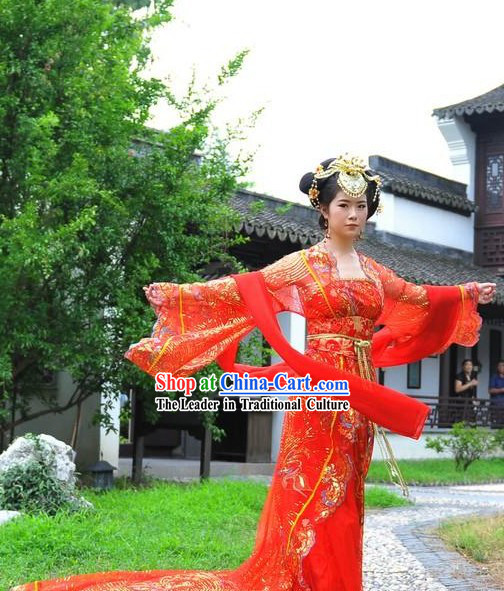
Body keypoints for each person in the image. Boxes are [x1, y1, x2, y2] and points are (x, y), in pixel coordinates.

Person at [12, 154, 496, 591]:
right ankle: (297, 577)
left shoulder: (374, 271)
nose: (354, 213)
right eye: (344, 204)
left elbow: (416, 297)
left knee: (347, 489)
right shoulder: (303, 266)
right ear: (323, 211)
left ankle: (335, 579)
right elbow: (244, 290)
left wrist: (466, 292)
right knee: (311, 485)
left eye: (361, 205)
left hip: (361, 394)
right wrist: (182, 298)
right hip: (321, 391)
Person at [453, 359, 479, 425]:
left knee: (472, 422)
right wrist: (470, 383)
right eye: (467, 364)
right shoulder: (460, 376)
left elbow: (471, 391)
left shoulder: (472, 376)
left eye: (470, 365)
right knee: (461, 421)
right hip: (461, 402)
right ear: (463, 366)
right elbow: (457, 389)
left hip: (470, 402)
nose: (469, 366)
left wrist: (474, 400)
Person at [489, 360, 504, 428]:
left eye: (503, 365)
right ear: (498, 367)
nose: (502, 367)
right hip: (497, 404)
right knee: (497, 425)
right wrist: (501, 390)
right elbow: (490, 390)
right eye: (500, 366)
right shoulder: (494, 377)